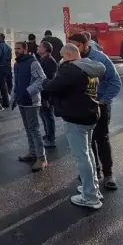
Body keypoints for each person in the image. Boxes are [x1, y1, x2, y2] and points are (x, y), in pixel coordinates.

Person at [43, 43, 106, 209]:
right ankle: (92, 188)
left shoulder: (71, 69)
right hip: (91, 113)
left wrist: (44, 82)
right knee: (88, 153)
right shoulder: (89, 67)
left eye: (62, 56)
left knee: (82, 157)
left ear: (69, 55)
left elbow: (52, 86)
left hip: (76, 116)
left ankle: (90, 197)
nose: (61, 59)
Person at [69, 33, 122, 190]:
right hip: (81, 107)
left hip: (99, 105)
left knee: (101, 139)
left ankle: (108, 174)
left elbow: (115, 82)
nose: (74, 50)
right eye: (71, 46)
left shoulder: (100, 59)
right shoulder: (71, 59)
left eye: (77, 46)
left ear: (86, 44)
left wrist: (103, 101)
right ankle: (93, 172)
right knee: (87, 141)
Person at [12, 41, 48, 172]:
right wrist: (13, 97)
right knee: (28, 128)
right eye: (15, 48)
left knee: (34, 129)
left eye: (19, 48)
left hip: (31, 102)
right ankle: (32, 152)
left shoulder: (33, 63)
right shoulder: (16, 64)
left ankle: (42, 158)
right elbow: (15, 82)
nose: (16, 50)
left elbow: (42, 79)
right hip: (21, 101)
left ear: (25, 49)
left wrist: (28, 91)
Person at [37, 41, 59, 148]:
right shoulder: (43, 60)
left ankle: (51, 139)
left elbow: (49, 81)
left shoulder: (50, 62)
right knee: (43, 115)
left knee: (48, 116)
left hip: (46, 94)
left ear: (45, 49)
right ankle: (47, 135)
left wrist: (45, 97)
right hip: (42, 93)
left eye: (40, 46)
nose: (38, 47)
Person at [0, 33, 13, 109]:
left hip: (1, 67)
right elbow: (10, 57)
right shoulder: (8, 47)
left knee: (2, 84)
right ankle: (9, 98)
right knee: (8, 84)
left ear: (0, 38)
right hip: (8, 66)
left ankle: (6, 101)